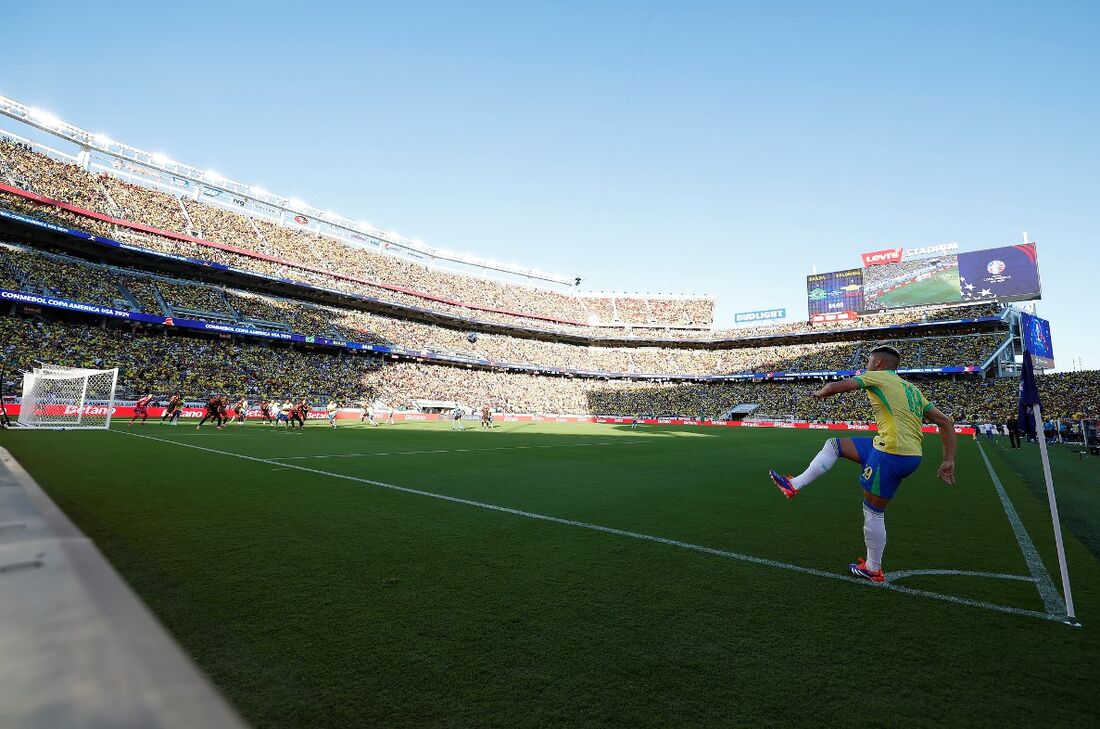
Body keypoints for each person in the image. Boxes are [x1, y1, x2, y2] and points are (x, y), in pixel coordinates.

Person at [768, 345, 957, 582]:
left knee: (873, 511)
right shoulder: (912, 389)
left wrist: (819, 393)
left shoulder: (876, 376)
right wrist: (948, 459)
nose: (866, 365)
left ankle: (873, 567)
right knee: (834, 444)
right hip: (899, 450)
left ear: (877, 362)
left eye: (869, 361)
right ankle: (793, 484)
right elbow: (945, 422)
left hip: (892, 454)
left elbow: (836, 387)